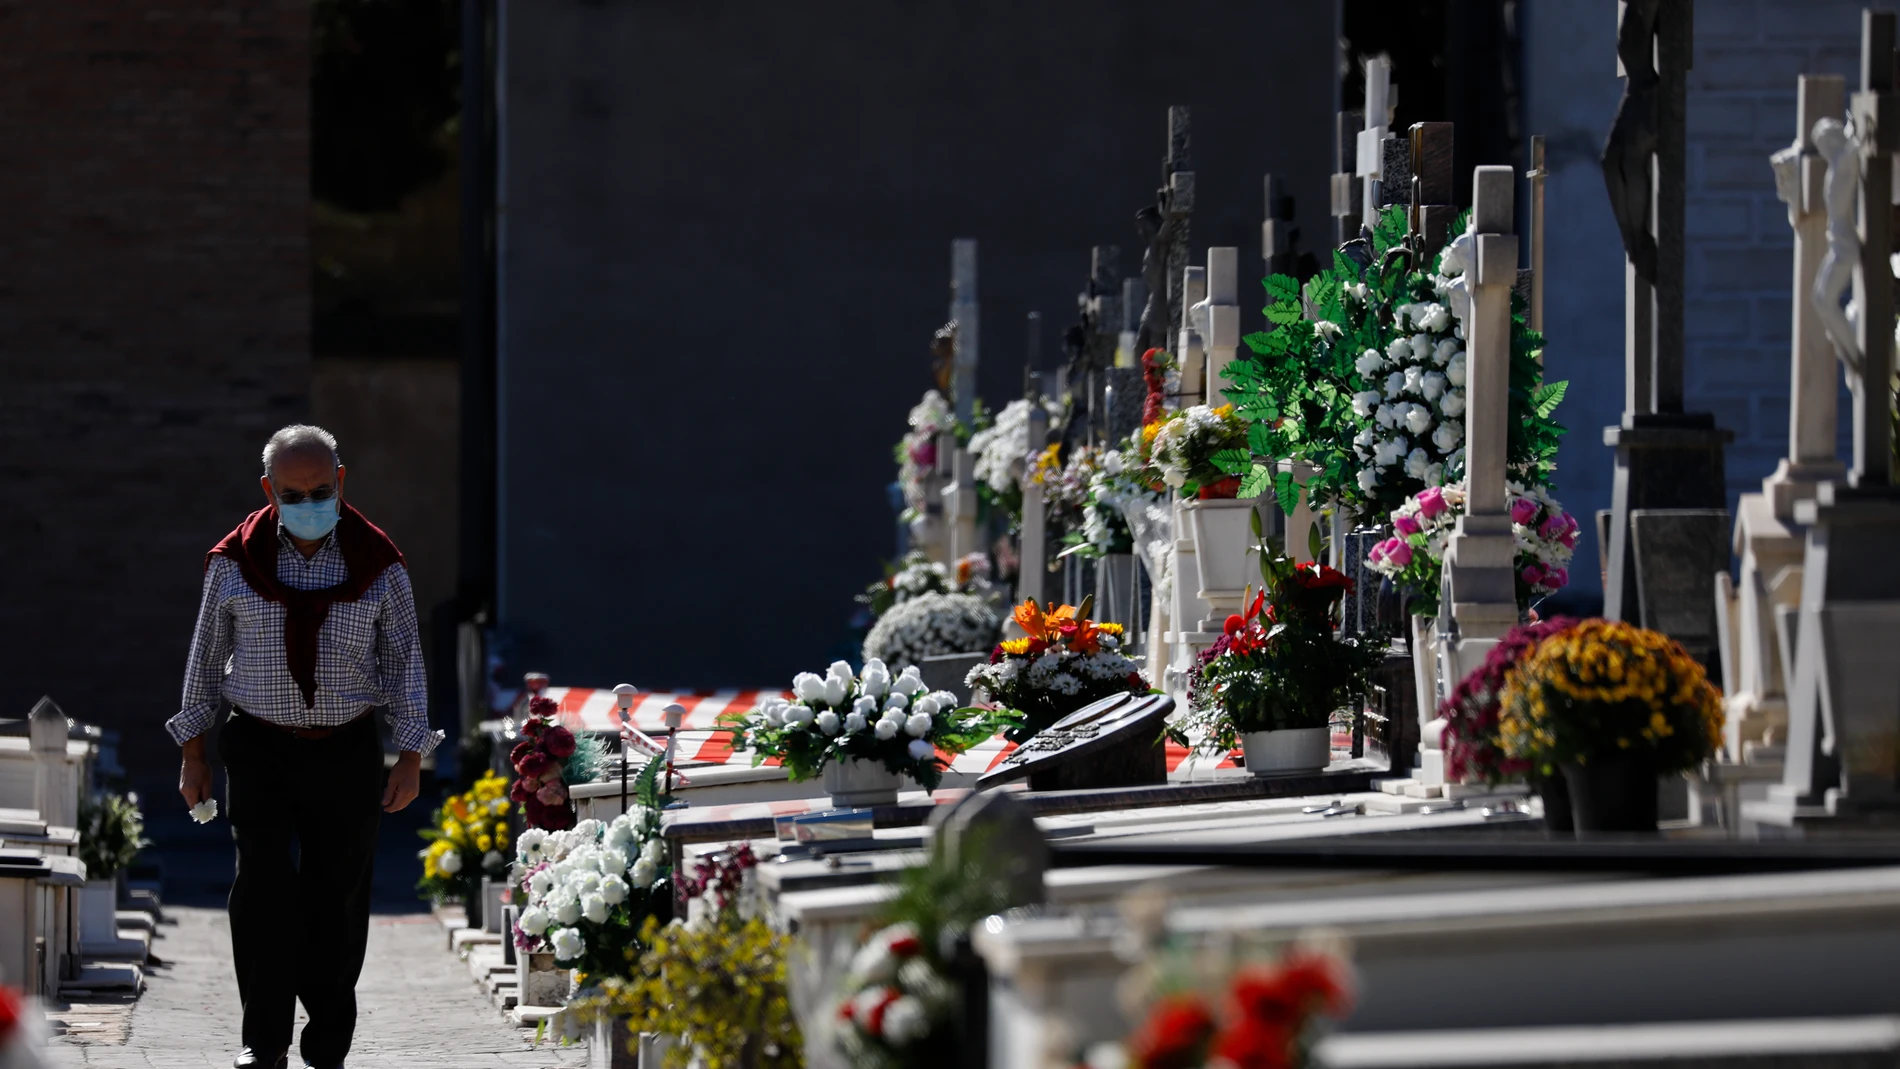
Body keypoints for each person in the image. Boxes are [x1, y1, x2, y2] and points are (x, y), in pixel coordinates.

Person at [172, 425, 441, 1069]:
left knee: (337, 896)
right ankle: (261, 1043)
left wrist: (410, 755)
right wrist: (194, 752)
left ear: (342, 482)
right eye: (294, 493)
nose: (310, 502)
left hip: (345, 748)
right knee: (261, 890)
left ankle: (326, 1046)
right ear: (269, 492)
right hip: (259, 745)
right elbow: (205, 658)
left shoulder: (379, 563)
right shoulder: (233, 561)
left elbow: (404, 661)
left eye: (322, 490)